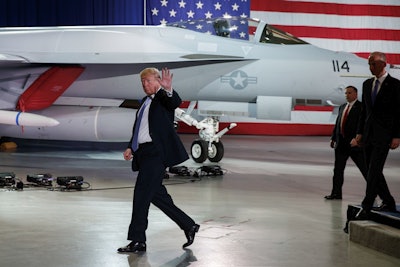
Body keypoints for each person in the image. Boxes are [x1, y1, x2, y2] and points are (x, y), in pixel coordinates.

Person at [118, 67, 200, 253]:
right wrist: (132, 146)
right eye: (143, 82)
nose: (145, 85)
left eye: (148, 81)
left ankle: (138, 240)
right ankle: (189, 225)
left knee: (141, 195)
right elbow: (140, 128)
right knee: (156, 195)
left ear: (158, 81)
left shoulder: (163, 99)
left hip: (156, 154)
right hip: (144, 153)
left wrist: (168, 89)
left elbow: (174, 102)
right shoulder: (144, 103)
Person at [355, 51, 400, 217]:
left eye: (373, 63)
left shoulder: (395, 85)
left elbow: (398, 113)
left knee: (374, 170)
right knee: (372, 171)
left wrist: (397, 136)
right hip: (368, 135)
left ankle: (366, 205)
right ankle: (388, 201)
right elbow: (364, 112)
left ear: (383, 64)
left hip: (385, 136)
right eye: (369, 64)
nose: (370, 67)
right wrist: (359, 132)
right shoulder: (367, 84)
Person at [324, 86, 368, 200]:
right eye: (346, 93)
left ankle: (375, 193)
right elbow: (338, 124)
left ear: (356, 94)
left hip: (355, 145)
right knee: (338, 170)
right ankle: (336, 193)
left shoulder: (362, 107)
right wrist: (333, 138)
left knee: (366, 170)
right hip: (341, 144)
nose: (347, 95)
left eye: (349, 93)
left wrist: (358, 139)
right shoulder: (342, 107)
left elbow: (362, 125)